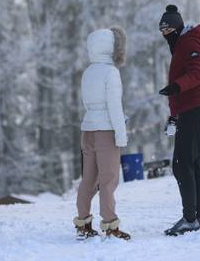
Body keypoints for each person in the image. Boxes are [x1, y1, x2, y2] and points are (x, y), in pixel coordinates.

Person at [158, 5, 200, 236]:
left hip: (197, 112)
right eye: (161, 31)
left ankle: (190, 219)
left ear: (177, 27)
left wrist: (177, 85)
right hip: (194, 113)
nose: (165, 35)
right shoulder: (181, 44)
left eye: (168, 29)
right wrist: (173, 116)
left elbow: (197, 72)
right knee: (193, 166)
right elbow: (179, 89)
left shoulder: (190, 42)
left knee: (182, 165)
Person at [73, 27, 130, 240]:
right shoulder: (111, 72)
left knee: (88, 179)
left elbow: (90, 103)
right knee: (108, 180)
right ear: (112, 48)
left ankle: (83, 223)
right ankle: (110, 225)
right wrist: (121, 134)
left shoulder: (88, 72)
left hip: (87, 130)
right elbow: (114, 106)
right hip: (106, 131)